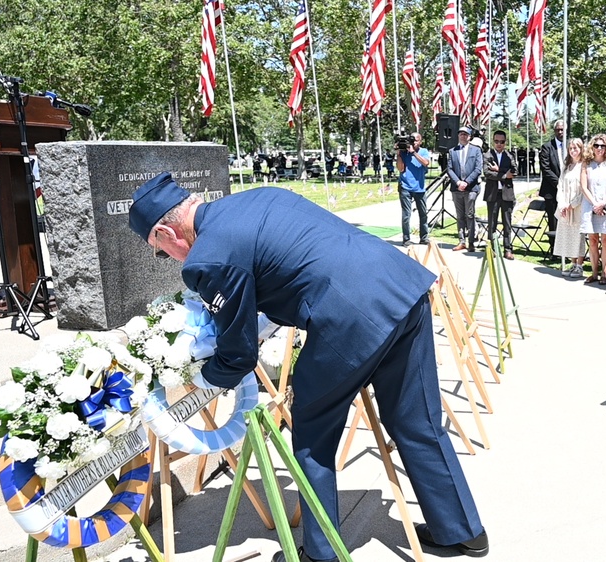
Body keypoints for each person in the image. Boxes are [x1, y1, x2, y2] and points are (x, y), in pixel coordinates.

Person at [127, 173, 488, 562]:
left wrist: (201, 378)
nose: (167, 258)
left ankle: (320, 554)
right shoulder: (259, 196)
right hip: (401, 286)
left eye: (160, 250)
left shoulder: (208, 256)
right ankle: (462, 531)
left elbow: (238, 354)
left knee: (313, 433)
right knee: (417, 419)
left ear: (166, 231)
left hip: (350, 318)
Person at [579, 134, 606, 285]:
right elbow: (584, 186)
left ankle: (604, 273)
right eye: (597, 146)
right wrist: (595, 204)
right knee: (593, 240)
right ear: (592, 147)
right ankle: (594, 272)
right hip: (590, 204)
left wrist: (602, 203)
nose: (600, 149)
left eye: (603, 146)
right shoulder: (586, 163)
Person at [553, 138, 588, 277]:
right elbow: (560, 185)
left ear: (581, 149)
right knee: (569, 235)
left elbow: (584, 189)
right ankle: (573, 263)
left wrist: (572, 204)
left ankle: (579, 265)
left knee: (578, 236)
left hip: (577, 206)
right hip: (565, 206)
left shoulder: (584, 166)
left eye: (576, 148)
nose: (573, 151)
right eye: (571, 148)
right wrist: (562, 204)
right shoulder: (566, 166)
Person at [482, 130, 517, 260]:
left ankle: (508, 249)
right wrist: (504, 175)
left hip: (507, 193)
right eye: (496, 141)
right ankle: (491, 249)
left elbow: (515, 171)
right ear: (493, 141)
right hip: (492, 193)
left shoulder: (509, 155)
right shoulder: (487, 155)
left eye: (502, 142)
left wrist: (498, 170)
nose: (499, 144)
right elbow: (487, 173)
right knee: (492, 223)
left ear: (505, 142)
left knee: (507, 223)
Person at [447, 127, 483, 252]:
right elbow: (449, 169)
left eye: (465, 134)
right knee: (460, 215)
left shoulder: (476, 150)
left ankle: (471, 242)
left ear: (470, 137)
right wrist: (458, 182)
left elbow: (478, 169)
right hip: (456, 188)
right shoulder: (452, 151)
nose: (463, 136)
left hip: (471, 188)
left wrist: (466, 182)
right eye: (461, 134)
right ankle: (462, 241)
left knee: (470, 214)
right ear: (458, 136)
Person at [396, 133, 432, 247]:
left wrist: (414, 153)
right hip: (405, 186)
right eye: (411, 140)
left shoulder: (423, 151)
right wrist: (399, 154)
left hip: (419, 187)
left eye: (415, 140)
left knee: (423, 214)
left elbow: (426, 163)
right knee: (406, 214)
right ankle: (406, 239)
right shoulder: (403, 152)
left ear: (420, 142)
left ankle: (424, 237)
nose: (413, 142)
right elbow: (400, 168)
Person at [539, 120, 566, 232]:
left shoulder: (571, 146)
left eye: (562, 129)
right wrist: (560, 183)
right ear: (554, 131)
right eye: (558, 129)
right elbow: (545, 169)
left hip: (568, 192)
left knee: (567, 221)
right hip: (551, 191)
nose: (560, 132)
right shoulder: (547, 147)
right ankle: (553, 248)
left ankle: (566, 248)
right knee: (554, 222)